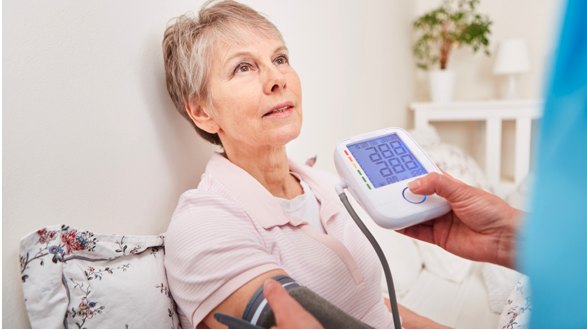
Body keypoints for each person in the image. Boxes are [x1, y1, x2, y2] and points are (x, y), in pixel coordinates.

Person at [162, 0, 396, 328]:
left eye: (280, 58)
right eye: (243, 67)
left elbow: (372, 307)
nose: (277, 79)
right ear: (202, 111)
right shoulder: (203, 225)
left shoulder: (327, 184)